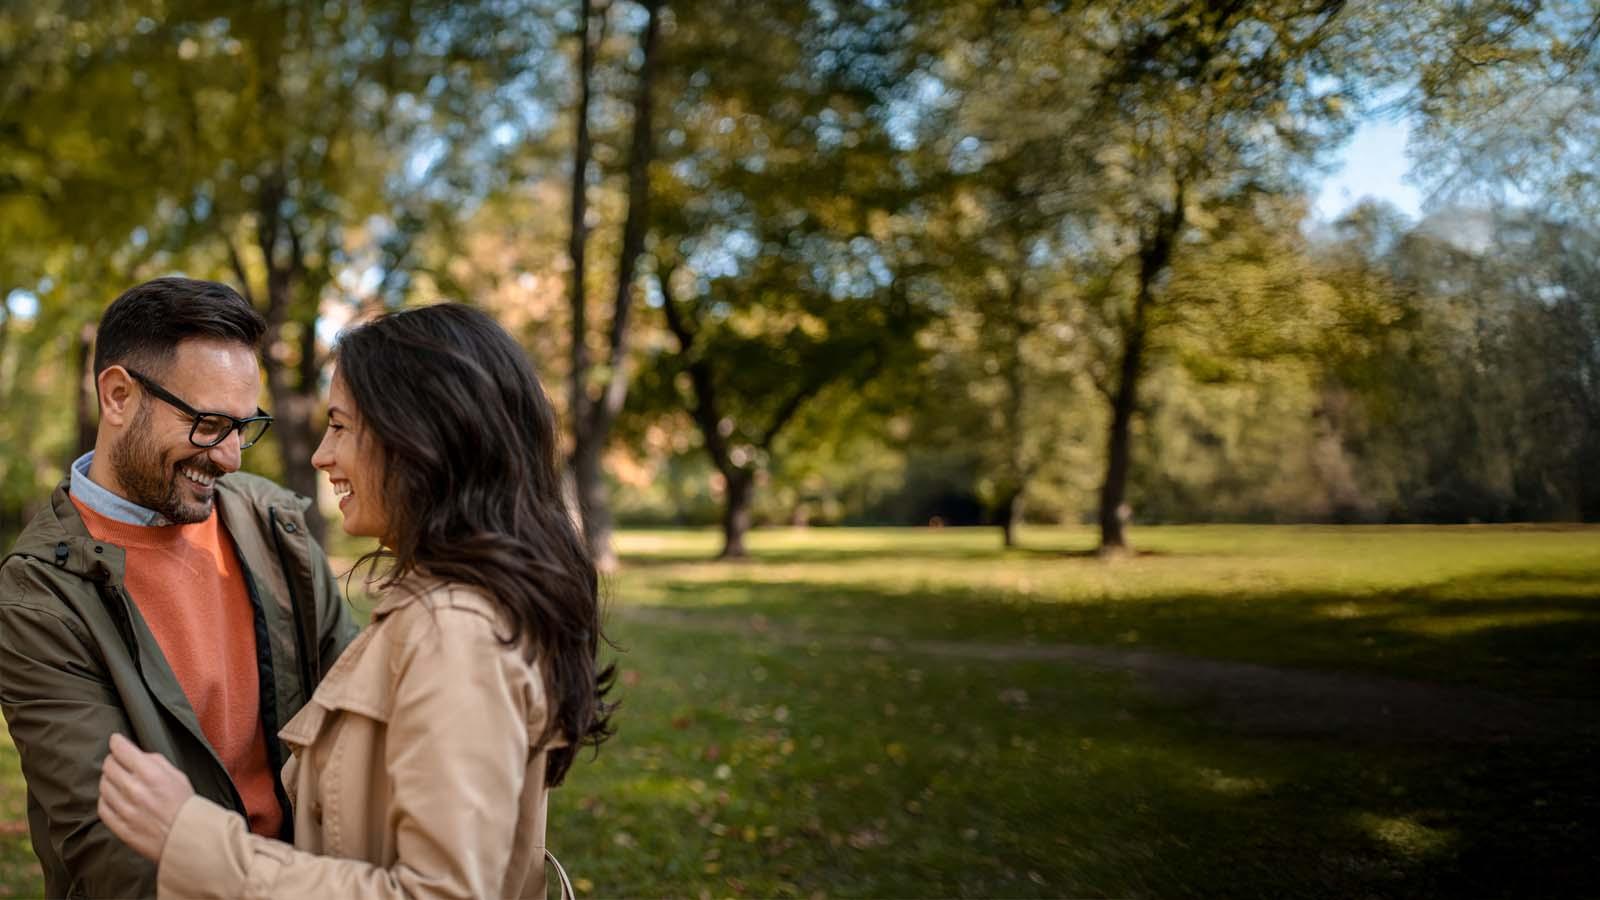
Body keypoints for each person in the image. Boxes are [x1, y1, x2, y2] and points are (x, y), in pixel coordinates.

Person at [98, 303, 615, 899]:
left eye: (340, 426)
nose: (321, 456)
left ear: (420, 437)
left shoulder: (455, 633)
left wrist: (189, 837)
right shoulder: (437, 609)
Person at [0, 277, 359, 898]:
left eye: (244, 427)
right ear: (117, 396)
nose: (230, 458)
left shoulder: (275, 526)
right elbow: (113, 851)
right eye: (209, 423)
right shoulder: (38, 597)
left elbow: (359, 726)